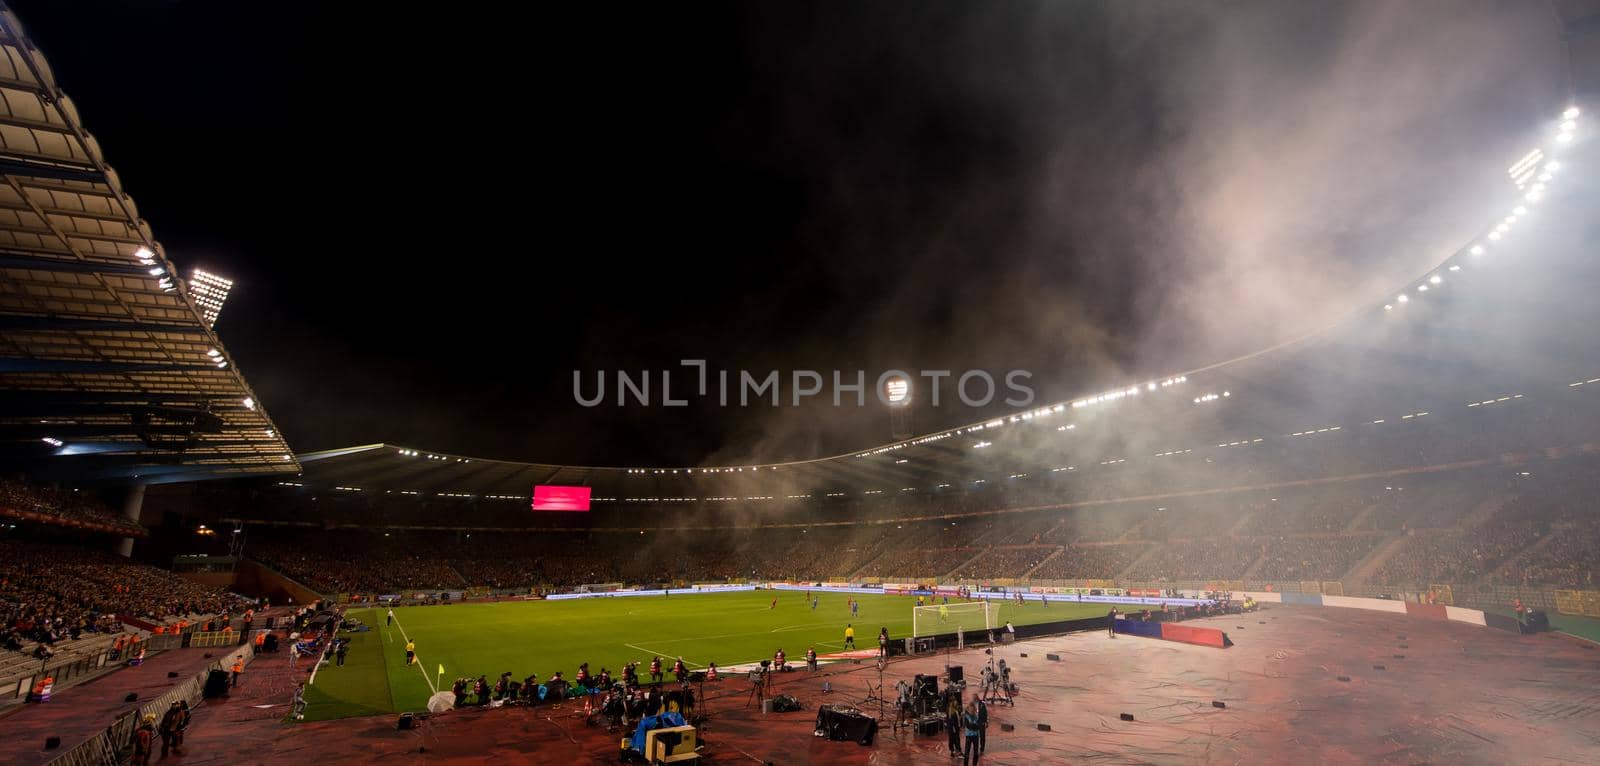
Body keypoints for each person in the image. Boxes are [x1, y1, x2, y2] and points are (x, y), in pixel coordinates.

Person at [961, 700, 982, 765]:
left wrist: (975, 726)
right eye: (971, 707)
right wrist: (975, 726)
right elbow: (968, 726)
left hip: (976, 736)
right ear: (969, 707)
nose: (972, 708)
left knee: (976, 753)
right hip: (969, 736)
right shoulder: (966, 716)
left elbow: (979, 725)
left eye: (973, 707)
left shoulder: (977, 715)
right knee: (967, 752)